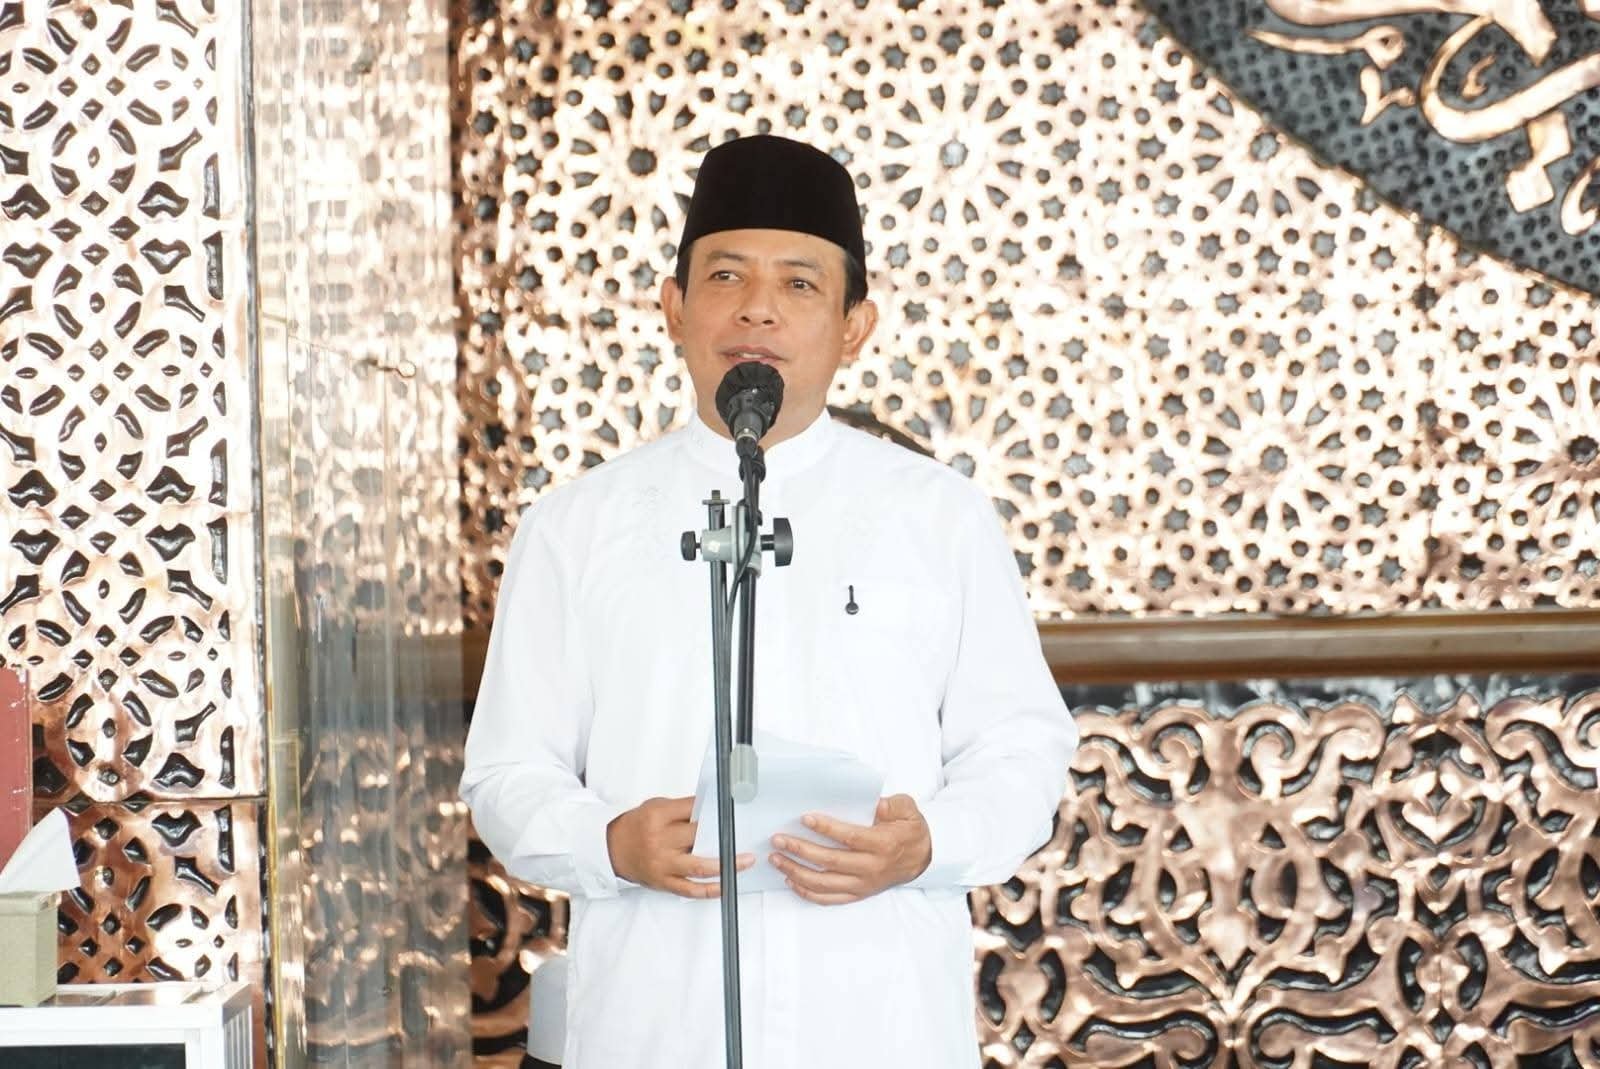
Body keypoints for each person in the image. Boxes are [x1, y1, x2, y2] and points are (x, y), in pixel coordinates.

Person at [461, 134, 1077, 1069]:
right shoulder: (575, 526)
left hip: (877, 1021)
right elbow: (507, 771)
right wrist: (610, 842)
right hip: (653, 1024)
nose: (757, 307)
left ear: (854, 325)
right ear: (673, 307)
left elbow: (1022, 749)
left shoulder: (939, 516)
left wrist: (928, 842)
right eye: (725, 275)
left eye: (798, 283)